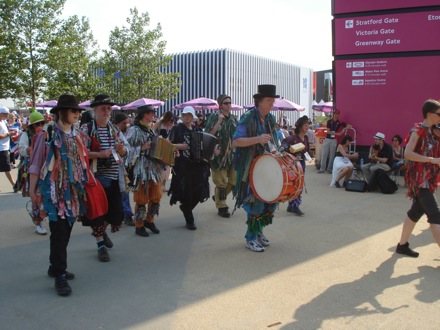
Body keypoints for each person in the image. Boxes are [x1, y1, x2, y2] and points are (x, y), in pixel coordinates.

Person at [28, 94, 87, 296]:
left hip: (71, 193)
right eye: (74, 111)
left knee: (66, 230)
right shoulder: (48, 134)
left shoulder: (76, 134)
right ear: (62, 112)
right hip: (53, 194)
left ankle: (55, 267)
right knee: (60, 233)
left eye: (78, 111)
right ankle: (59, 274)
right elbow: (36, 164)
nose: (78, 114)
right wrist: (33, 190)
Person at [81, 94, 129, 262]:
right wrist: (99, 154)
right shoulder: (87, 129)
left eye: (109, 109)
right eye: (103, 108)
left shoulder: (114, 129)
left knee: (115, 214)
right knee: (97, 214)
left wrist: (121, 149)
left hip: (114, 176)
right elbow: (80, 153)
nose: (107, 111)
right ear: (95, 110)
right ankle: (100, 243)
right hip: (96, 179)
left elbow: (125, 151)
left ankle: (102, 232)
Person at [233, 84, 281, 252]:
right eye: (269, 100)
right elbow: (236, 141)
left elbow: (274, 141)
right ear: (259, 102)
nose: (272, 104)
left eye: (273, 100)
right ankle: (250, 238)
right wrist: (258, 139)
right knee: (255, 204)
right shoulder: (248, 118)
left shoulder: (270, 119)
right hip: (250, 169)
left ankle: (258, 231)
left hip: (266, 167)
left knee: (269, 201)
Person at [395, 99, 440, 258]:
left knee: (415, 212)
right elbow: (407, 154)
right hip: (421, 181)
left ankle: (402, 246)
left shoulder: (432, 132)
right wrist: (432, 160)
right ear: (430, 114)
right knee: (435, 215)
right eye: (439, 114)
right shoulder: (418, 130)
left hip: (429, 180)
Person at [168, 106, 213, 230]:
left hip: (197, 165)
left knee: (198, 192)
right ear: (182, 116)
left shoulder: (197, 129)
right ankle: (190, 220)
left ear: (192, 117)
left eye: (189, 115)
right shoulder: (177, 129)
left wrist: (214, 151)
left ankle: (186, 209)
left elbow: (205, 146)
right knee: (187, 192)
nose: (187, 117)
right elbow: (167, 144)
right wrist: (178, 146)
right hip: (183, 165)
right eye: (185, 115)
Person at [126, 105, 164, 237]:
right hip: (141, 170)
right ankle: (139, 225)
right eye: (151, 113)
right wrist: (141, 148)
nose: (153, 115)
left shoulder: (150, 130)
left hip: (153, 169)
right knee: (142, 199)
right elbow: (126, 151)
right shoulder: (134, 130)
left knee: (157, 195)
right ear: (144, 115)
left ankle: (149, 220)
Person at [204, 94, 238, 218]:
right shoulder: (214, 116)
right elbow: (208, 134)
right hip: (218, 155)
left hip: (232, 155)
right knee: (221, 182)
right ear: (220, 105)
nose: (229, 105)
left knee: (234, 181)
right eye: (226, 103)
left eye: (230, 103)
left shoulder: (234, 118)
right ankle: (222, 206)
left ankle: (218, 197)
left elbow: (238, 135)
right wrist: (218, 122)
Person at [17, 111, 48, 234]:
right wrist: (28, 150)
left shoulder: (47, 133)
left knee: (45, 194)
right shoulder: (26, 135)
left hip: (46, 168)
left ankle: (41, 215)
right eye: (37, 124)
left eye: (41, 123)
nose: (40, 125)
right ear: (32, 126)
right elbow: (21, 149)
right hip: (32, 168)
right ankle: (38, 221)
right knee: (35, 193)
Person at [281, 115, 310, 215]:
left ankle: (292, 205)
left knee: (300, 184)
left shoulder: (305, 138)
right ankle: (294, 205)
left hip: (301, 163)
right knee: (295, 184)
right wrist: (290, 150)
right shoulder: (292, 138)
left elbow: (306, 151)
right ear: (301, 127)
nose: (307, 127)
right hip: (293, 164)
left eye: (308, 125)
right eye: (306, 125)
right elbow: (283, 146)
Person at [114, 113, 135, 226]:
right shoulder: (114, 132)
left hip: (124, 167)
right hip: (112, 168)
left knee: (124, 192)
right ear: (117, 123)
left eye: (127, 123)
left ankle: (127, 215)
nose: (126, 125)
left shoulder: (127, 132)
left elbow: (128, 149)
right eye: (124, 123)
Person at [153, 111, 175, 192]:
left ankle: (163, 185)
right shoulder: (159, 123)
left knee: (167, 166)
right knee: (159, 166)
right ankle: (158, 185)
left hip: (168, 147)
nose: (170, 121)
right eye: (169, 119)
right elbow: (153, 131)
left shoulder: (172, 125)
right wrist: (157, 136)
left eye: (172, 120)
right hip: (160, 145)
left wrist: (171, 126)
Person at [0, 106, 18, 191]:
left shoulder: (3, 121)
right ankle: (14, 185)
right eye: (6, 114)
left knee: (6, 167)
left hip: (5, 147)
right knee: (7, 168)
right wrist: (8, 135)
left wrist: (10, 133)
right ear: (1, 114)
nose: (7, 116)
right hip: (1, 148)